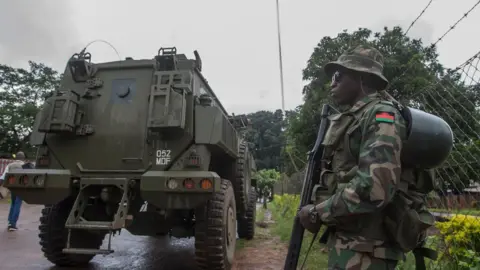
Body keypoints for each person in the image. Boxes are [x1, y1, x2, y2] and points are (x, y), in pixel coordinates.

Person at [297, 45, 408, 269]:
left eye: (339, 75)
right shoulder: (355, 117)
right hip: (353, 244)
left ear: (362, 78)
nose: (332, 83)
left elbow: (375, 187)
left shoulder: (381, 115)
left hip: (369, 249)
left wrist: (319, 213)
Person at [0, 151, 27, 231]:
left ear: (16, 158)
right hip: (21, 188)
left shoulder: (10, 165)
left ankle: (9, 222)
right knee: (17, 204)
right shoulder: (25, 166)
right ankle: (13, 224)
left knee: (13, 203)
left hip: (12, 187)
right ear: (23, 158)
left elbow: (3, 177)